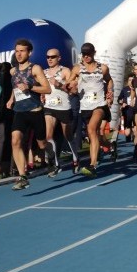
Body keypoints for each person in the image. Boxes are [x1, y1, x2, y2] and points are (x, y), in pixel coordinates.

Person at [6, 38, 53, 191]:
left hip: (35, 111)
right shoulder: (13, 71)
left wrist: (30, 87)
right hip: (19, 111)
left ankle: (51, 156)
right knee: (15, 140)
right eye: (17, 51)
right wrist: (11, 99)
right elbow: (16, 88)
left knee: (41, 144)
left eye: (22, 51)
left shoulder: (35, 69)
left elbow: (47, 89)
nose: (19, 54)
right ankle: (23, 176)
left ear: (29, 52)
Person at [69, 42, 114, 178]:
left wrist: (110, 92)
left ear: (94, 53)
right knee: (94, 135)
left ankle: (92, 165)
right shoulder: (77, 69)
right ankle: (110, 146)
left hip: (99, 105)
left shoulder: (102, 68)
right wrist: (71, 87)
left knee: (91, 129)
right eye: (84, 54)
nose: (86, 56)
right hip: (85, 106)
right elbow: (69, 85)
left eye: (88, 54)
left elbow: (109, 80)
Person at [42, 48, 80, 178]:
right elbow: (43, 88)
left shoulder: (65, 71)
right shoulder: (44, 72)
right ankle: (56, 164)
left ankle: (76, 158)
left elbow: (73, 91)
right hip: (49, 107)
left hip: (63, 107)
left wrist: (59, 84)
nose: (49, 59)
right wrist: (42, 94)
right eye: (48, 57)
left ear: (59, 58)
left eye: (52, 57)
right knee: (48, 136)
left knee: (67, 135)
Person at [0, 61, 14, 176]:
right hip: (8, 111)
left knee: (2, 139)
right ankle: (9, 167)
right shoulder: (9, 80)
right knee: (10, 140)